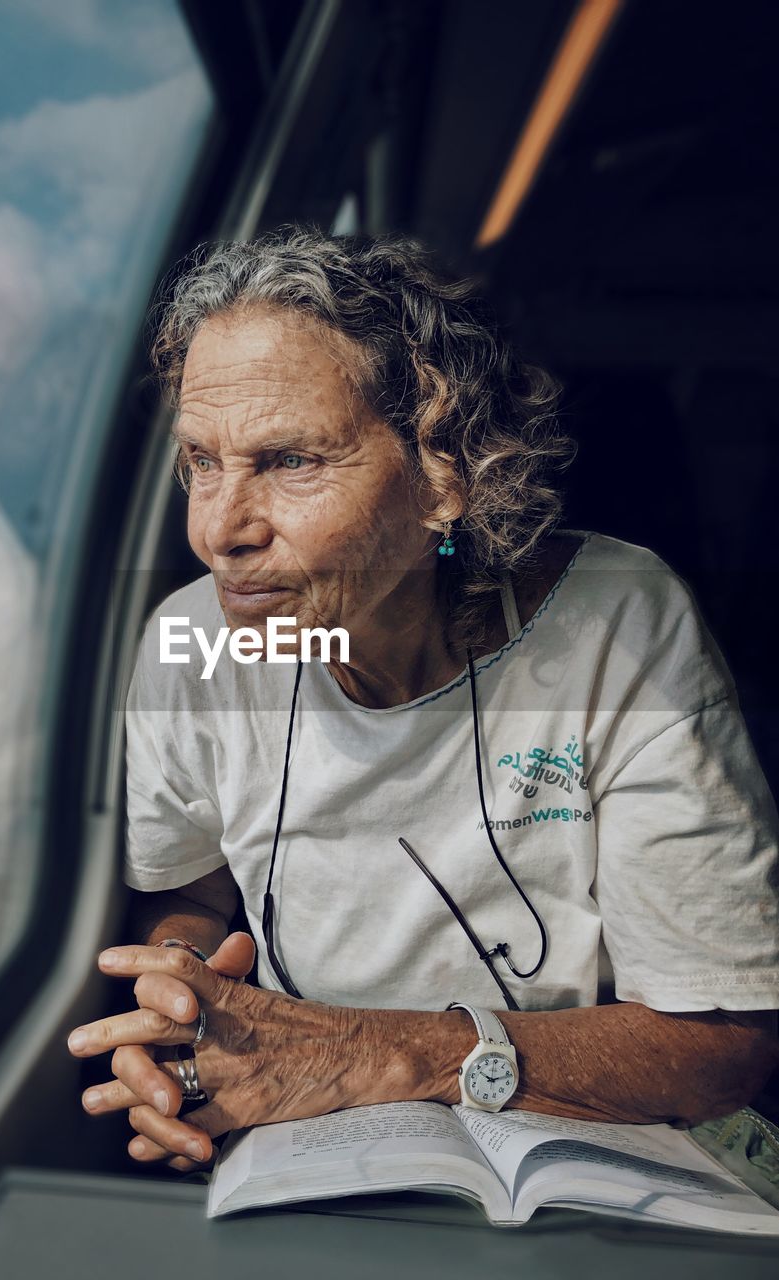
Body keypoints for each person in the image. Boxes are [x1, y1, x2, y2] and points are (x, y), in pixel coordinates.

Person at [67, 226, 779, 1177]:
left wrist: (367, 1053)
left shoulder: (616, 625)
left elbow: (722, 1041)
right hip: (308, 1153)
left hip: (601, 1160)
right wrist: (182, 1005)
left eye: (287, 461)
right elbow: (190, 886)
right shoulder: (192, 645)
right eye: (201, 460)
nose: (217, 530)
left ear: (444, 470)